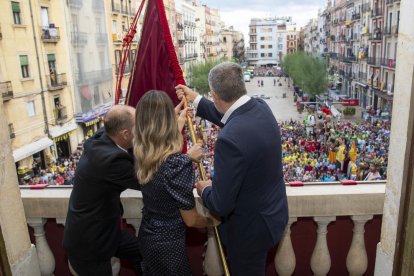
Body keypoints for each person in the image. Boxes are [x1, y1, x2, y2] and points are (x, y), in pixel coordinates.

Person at [176, 61, 288, 275]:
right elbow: (231, 116)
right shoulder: (260, 107)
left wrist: (204, 189)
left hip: (248, 234)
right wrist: (196, 99)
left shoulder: (229, 140)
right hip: (272, 218)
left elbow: (221, 204)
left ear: (215, 95)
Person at [133, 90, 218, 275]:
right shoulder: (177, 165)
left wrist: (178, 118)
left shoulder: (141, 152)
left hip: (147, 237)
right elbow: (191, 219)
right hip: (169, 247)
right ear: (166, 123)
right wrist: (215, 221)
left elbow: (161, 146)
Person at [63, 105, 142, 275]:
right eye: (139, 126)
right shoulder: (112, 160)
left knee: (143, 252)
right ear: (125, 134)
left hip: (106, 230)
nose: (142, 130)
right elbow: (148, 181)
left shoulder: (103, 135)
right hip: (89, 247)